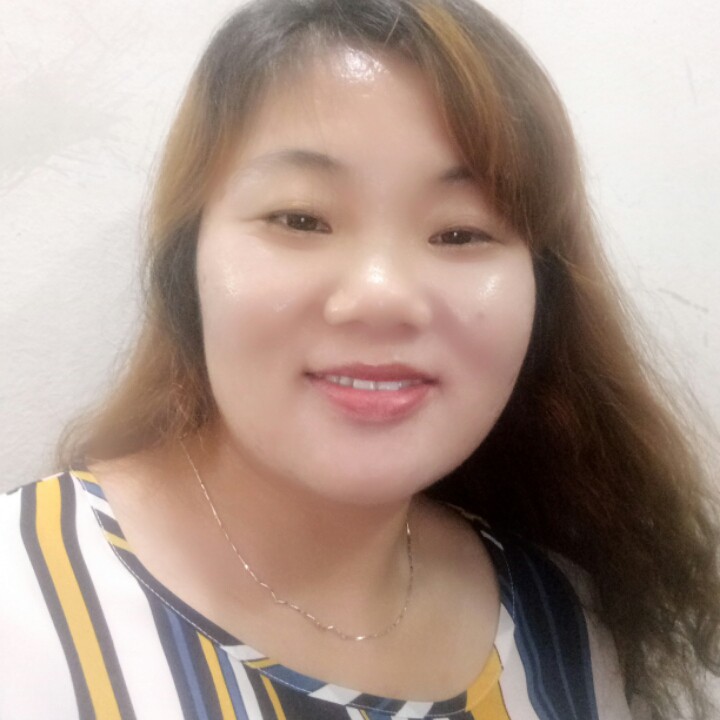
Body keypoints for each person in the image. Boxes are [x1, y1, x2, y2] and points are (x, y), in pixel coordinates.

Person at [1, 0, 718, 718]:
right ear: (186, 264)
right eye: (300, 219)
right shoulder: (23, 605)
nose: (382, 295)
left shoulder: (566, 616)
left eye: (461, 233)